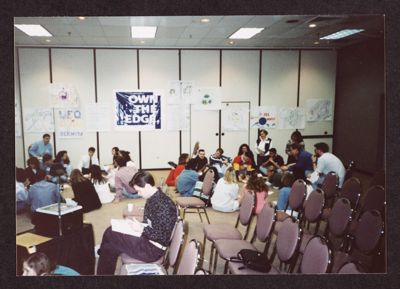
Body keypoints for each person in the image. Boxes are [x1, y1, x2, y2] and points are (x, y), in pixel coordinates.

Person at [96, 171, 178, 275]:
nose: (138, 194)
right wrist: (138, 226)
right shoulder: (154, 198)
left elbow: (162, 237)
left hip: (153, 250)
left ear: (147, 186)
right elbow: (151, 223)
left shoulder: (164, 206)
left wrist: (141, 229)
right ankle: (103, 255)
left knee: (111, 236)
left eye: (139, 191)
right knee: (111, 233)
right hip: (148, 239)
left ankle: (102, 265)